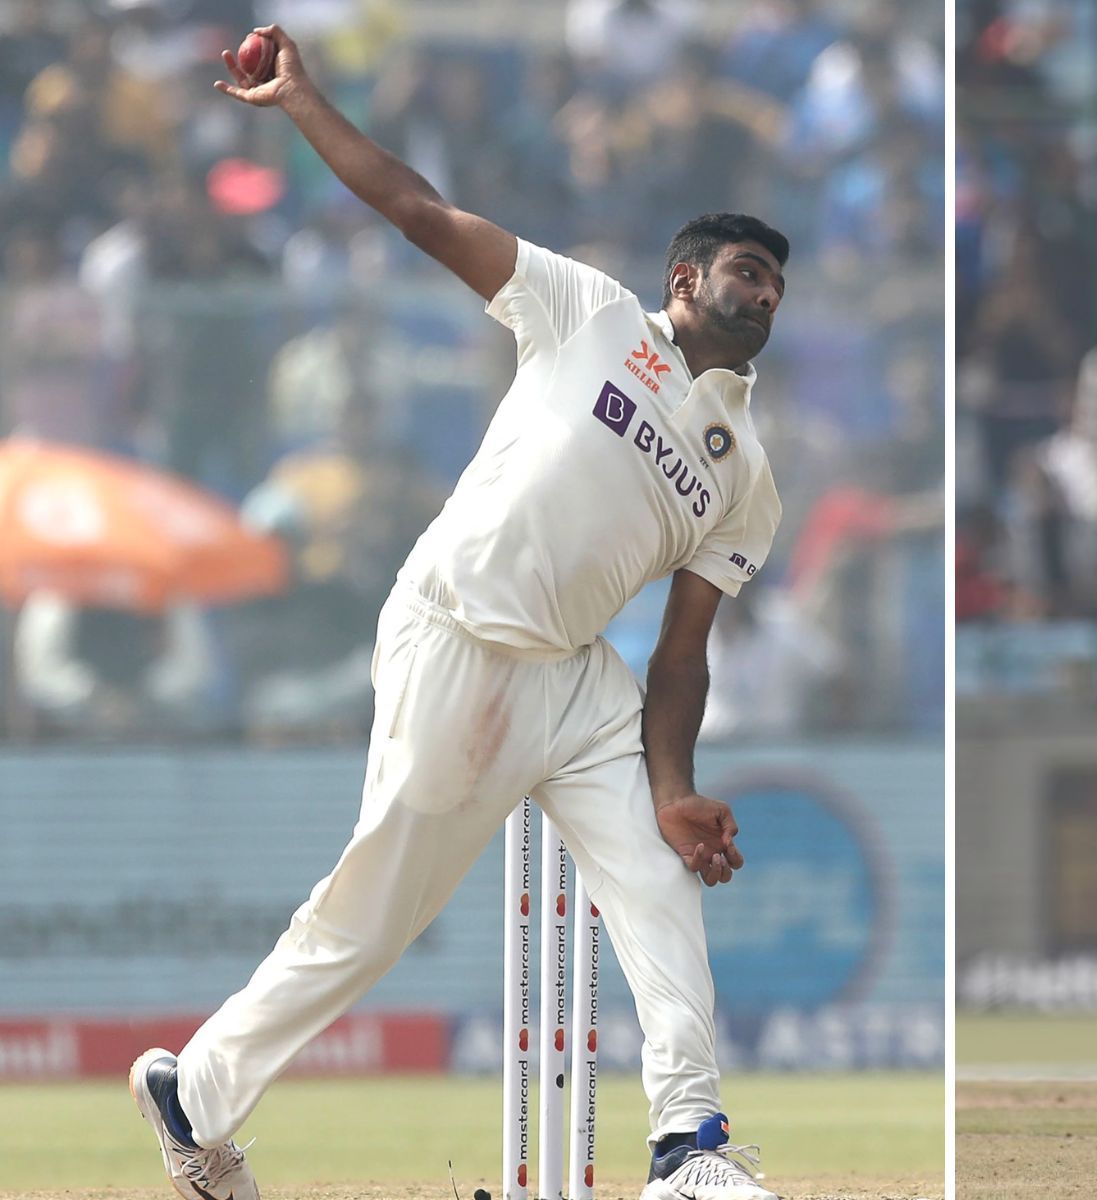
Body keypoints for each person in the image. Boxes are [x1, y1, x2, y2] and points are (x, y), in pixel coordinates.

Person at [128, 27, 786, 1200]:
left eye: (778, 286)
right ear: (686, 282)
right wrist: (305, 103)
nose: (766, 294)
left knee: (657, 879)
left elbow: (684, 652)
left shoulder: (747, 474)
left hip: (580, 683)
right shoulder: (591, 312)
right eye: (747, 272)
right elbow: (422, 213)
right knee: (376, 913)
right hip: (457, 634)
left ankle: (690, 1146)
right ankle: (198, 1095)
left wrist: (674, 787)